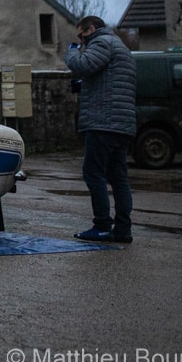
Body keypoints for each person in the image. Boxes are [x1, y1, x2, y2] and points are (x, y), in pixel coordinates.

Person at [63, 15, 137, 243]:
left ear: (91, 28)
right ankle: (123, 229)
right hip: (122, 123)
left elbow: (81, 65)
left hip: (103, 121)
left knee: (93, 173)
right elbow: (107, 79)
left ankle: (102, 225)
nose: (81, 40)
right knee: (118, 177)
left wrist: (72, 50)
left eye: (81, 35)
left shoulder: (102, 42)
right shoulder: (122, 47)